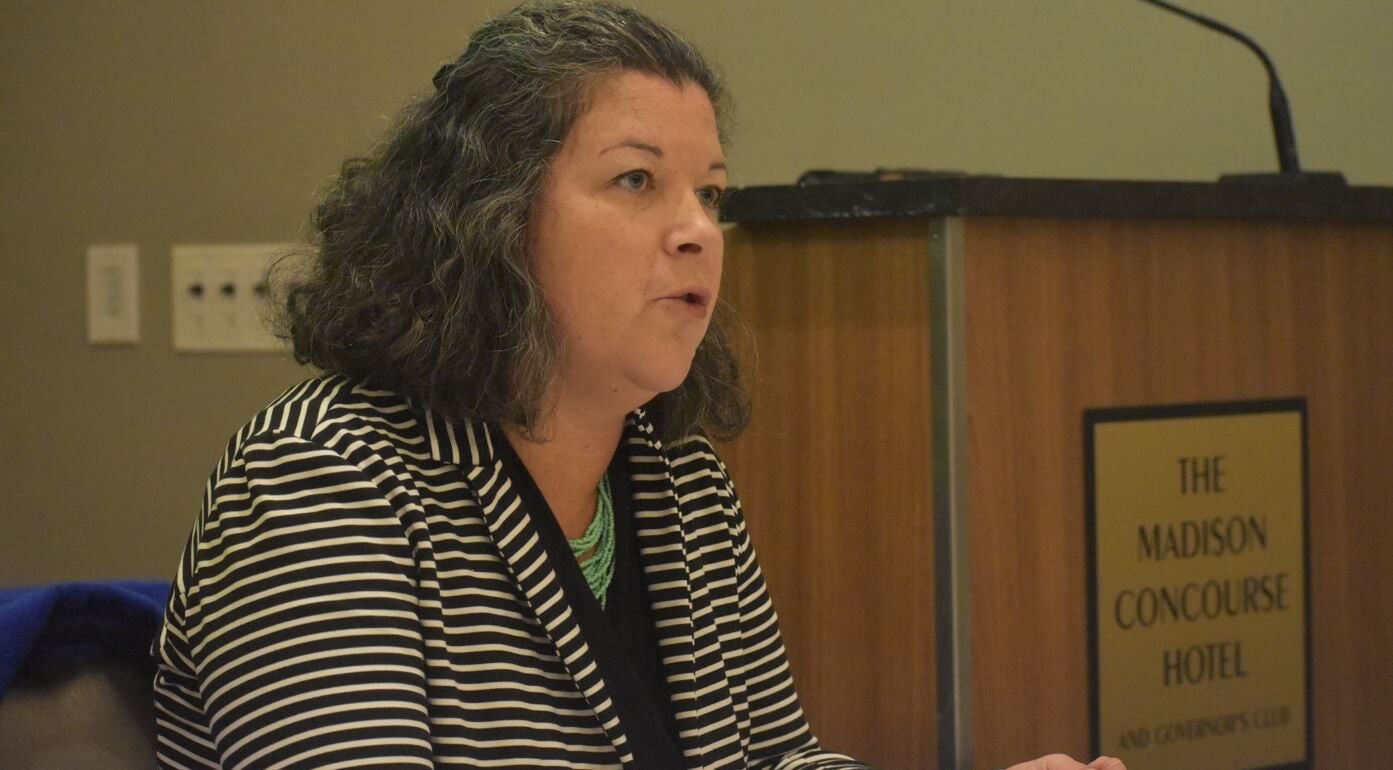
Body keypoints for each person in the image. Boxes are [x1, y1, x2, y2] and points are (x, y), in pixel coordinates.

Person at [151, 3, 1127, 769]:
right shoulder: (321, 480)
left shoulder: (678, 479)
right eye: (636, 181)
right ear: (492, 217)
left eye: (711, 192)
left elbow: (773, 760)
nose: (698, 228)